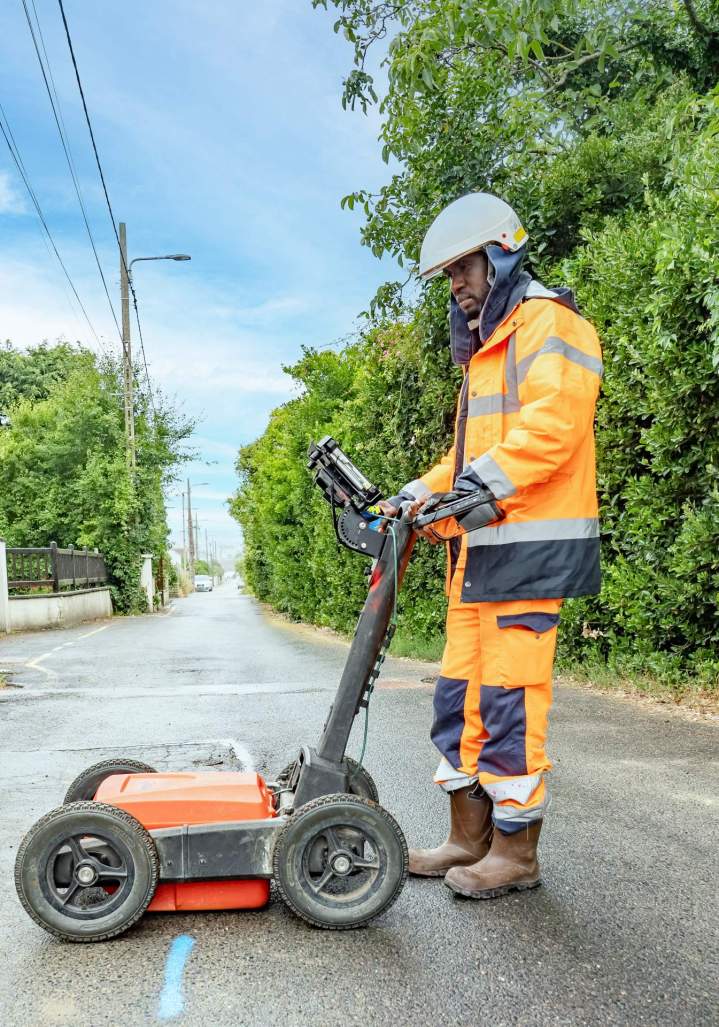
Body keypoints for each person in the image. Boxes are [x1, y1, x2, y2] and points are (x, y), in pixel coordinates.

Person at [379, 193, 602, 899]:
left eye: (463, 268)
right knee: (459, 699)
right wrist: (413, 495)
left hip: (526, 557)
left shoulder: (550, 326)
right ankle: (465, 838)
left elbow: (550, 430)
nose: (456, 285)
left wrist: (470, 485)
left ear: (501, 253)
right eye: (448, 276)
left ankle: (514, 852)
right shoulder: (483, 356)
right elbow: (468, 460)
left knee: (508, 702)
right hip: (476, 563)